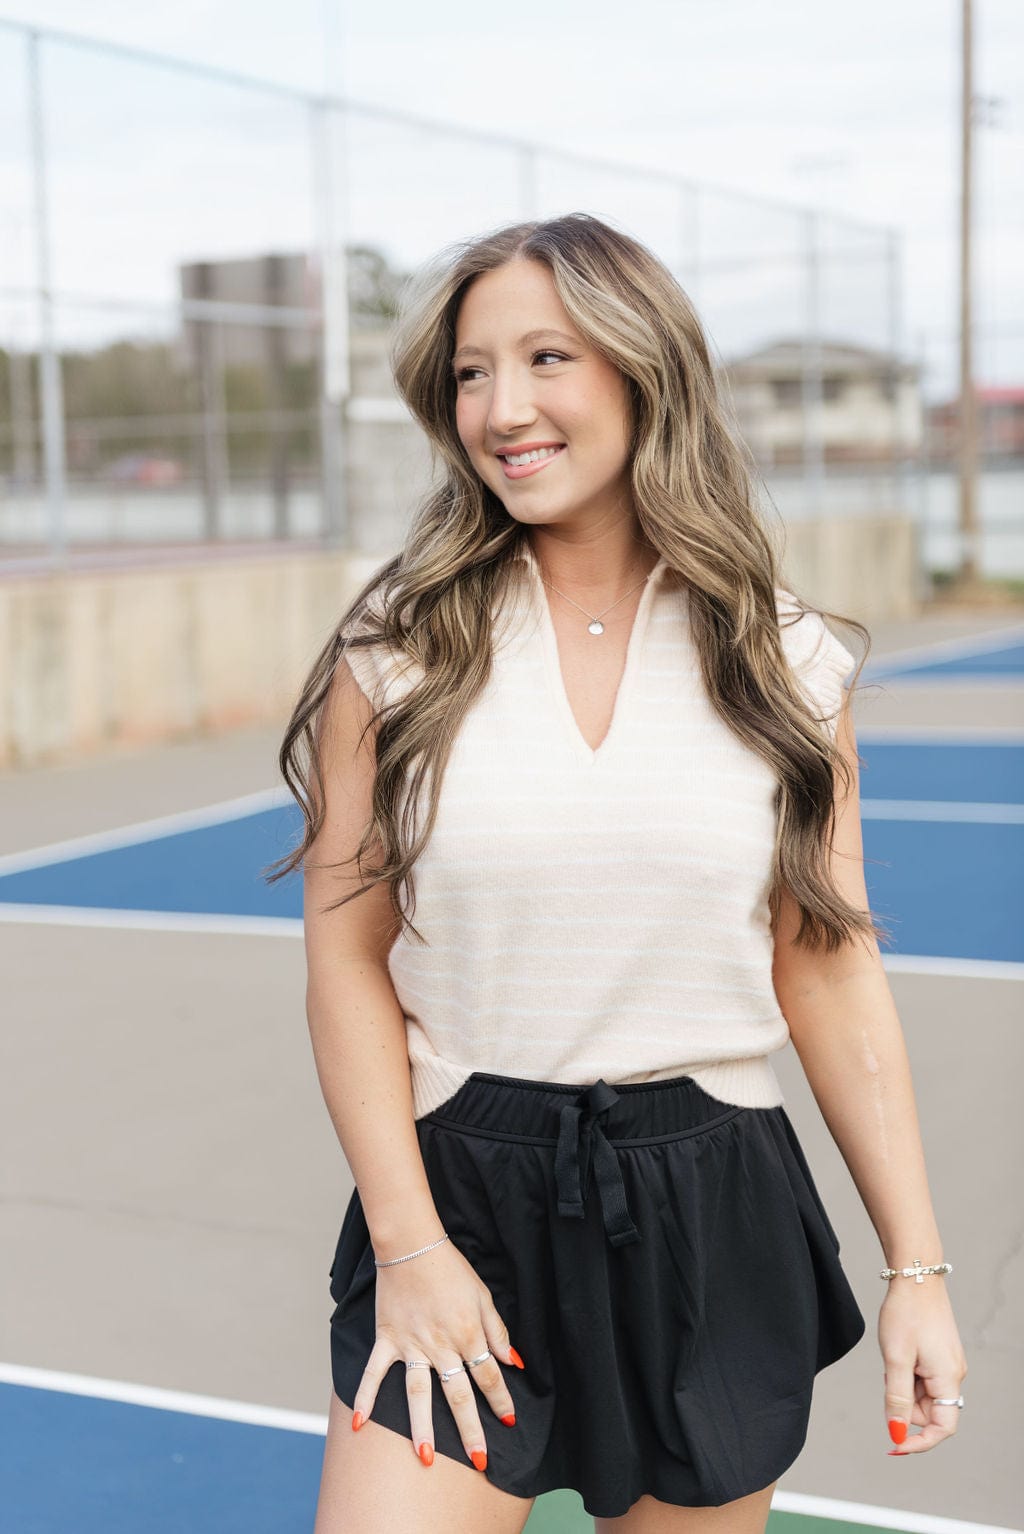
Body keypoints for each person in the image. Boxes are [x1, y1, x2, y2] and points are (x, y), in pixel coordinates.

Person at [268, 213, 967, 1533]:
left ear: (648, 370)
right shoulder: (393, 653)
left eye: (547, 357)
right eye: (472, 371)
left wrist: (916, 1266)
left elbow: (827, 965)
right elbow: (345, 961)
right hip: (458, 1188)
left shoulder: (789, 664)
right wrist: (412, 1247)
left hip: (709, 1201)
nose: (502, 407)